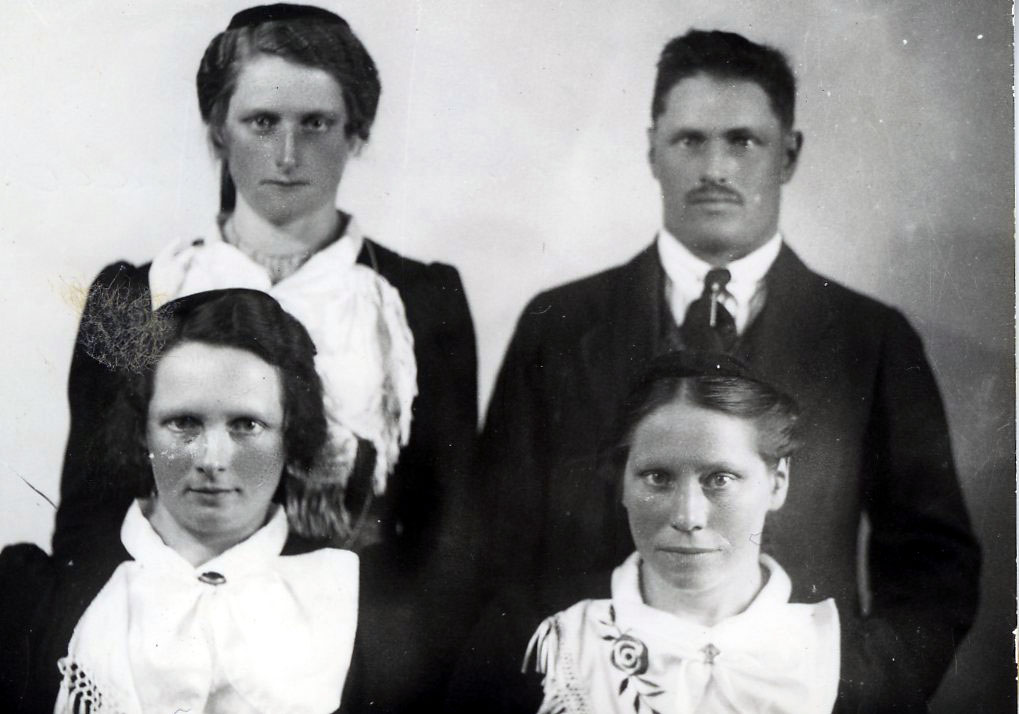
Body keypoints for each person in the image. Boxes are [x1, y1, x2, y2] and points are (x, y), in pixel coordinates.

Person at [478, 28, 978, 711]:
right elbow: (494, 546)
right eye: (689, 140)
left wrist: (853, 685)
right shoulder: (558, 325)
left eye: (742, 140)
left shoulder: (872, 339)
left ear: (788, 154)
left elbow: (934, 562)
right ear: (650, 149)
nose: (714, 167)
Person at [54, 5, 477, 709]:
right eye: (260, 122)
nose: (287, 155)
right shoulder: (134, 294)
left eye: (316, 123)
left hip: (354, 658)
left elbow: (450, 528)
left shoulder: (419, 298)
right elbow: (87, 517)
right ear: (217, 129)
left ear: (357, 132)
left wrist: (394, 664)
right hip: (156, 644)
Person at [0, 289, 358, 714]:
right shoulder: (29, 601)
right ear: (142, 430)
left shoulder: (347, 601)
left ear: (290, 432)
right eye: (184, 422)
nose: (212, 459)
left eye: (247, 425)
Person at [449, 353, 839, 713]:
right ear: (622, 482)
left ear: (778, 482)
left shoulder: (839, 649)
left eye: (720, 479)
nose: (687, 516)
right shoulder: (529, 638)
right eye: (657, 478)